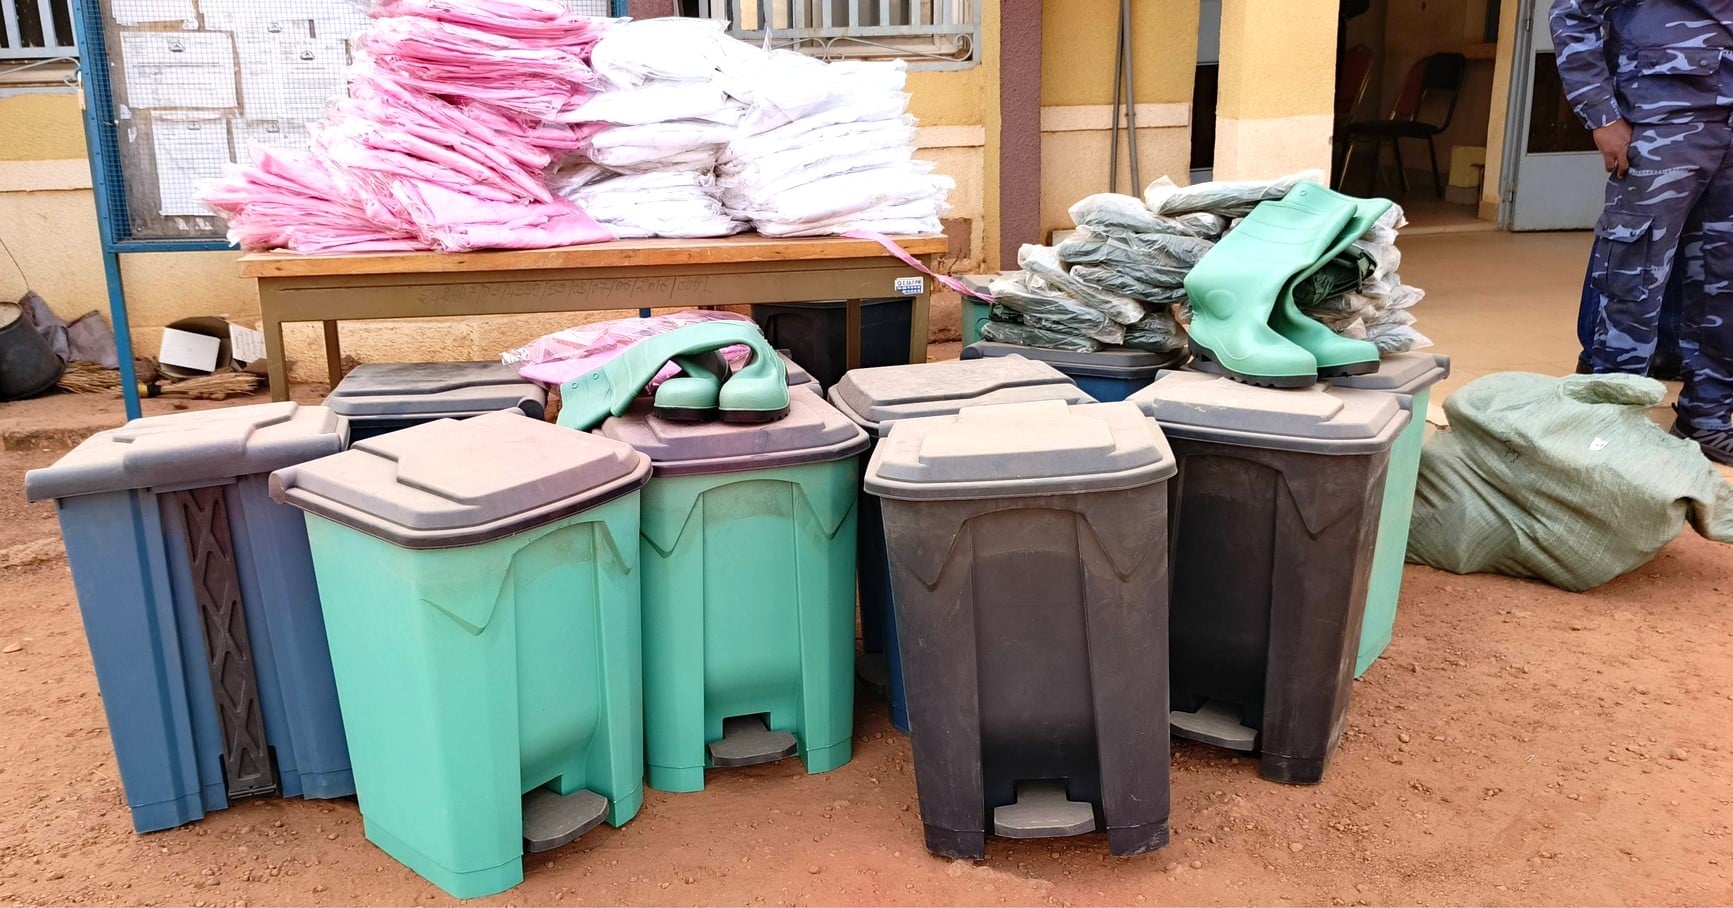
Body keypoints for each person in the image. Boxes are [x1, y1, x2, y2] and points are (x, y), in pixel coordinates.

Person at [1551, 0, 1733, 464]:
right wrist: (1602, 116)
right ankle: (1612, 419)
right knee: (1634, 275)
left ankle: (1707, 418)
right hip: (1662, 121)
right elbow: (1572, 12)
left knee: (1723, 280)